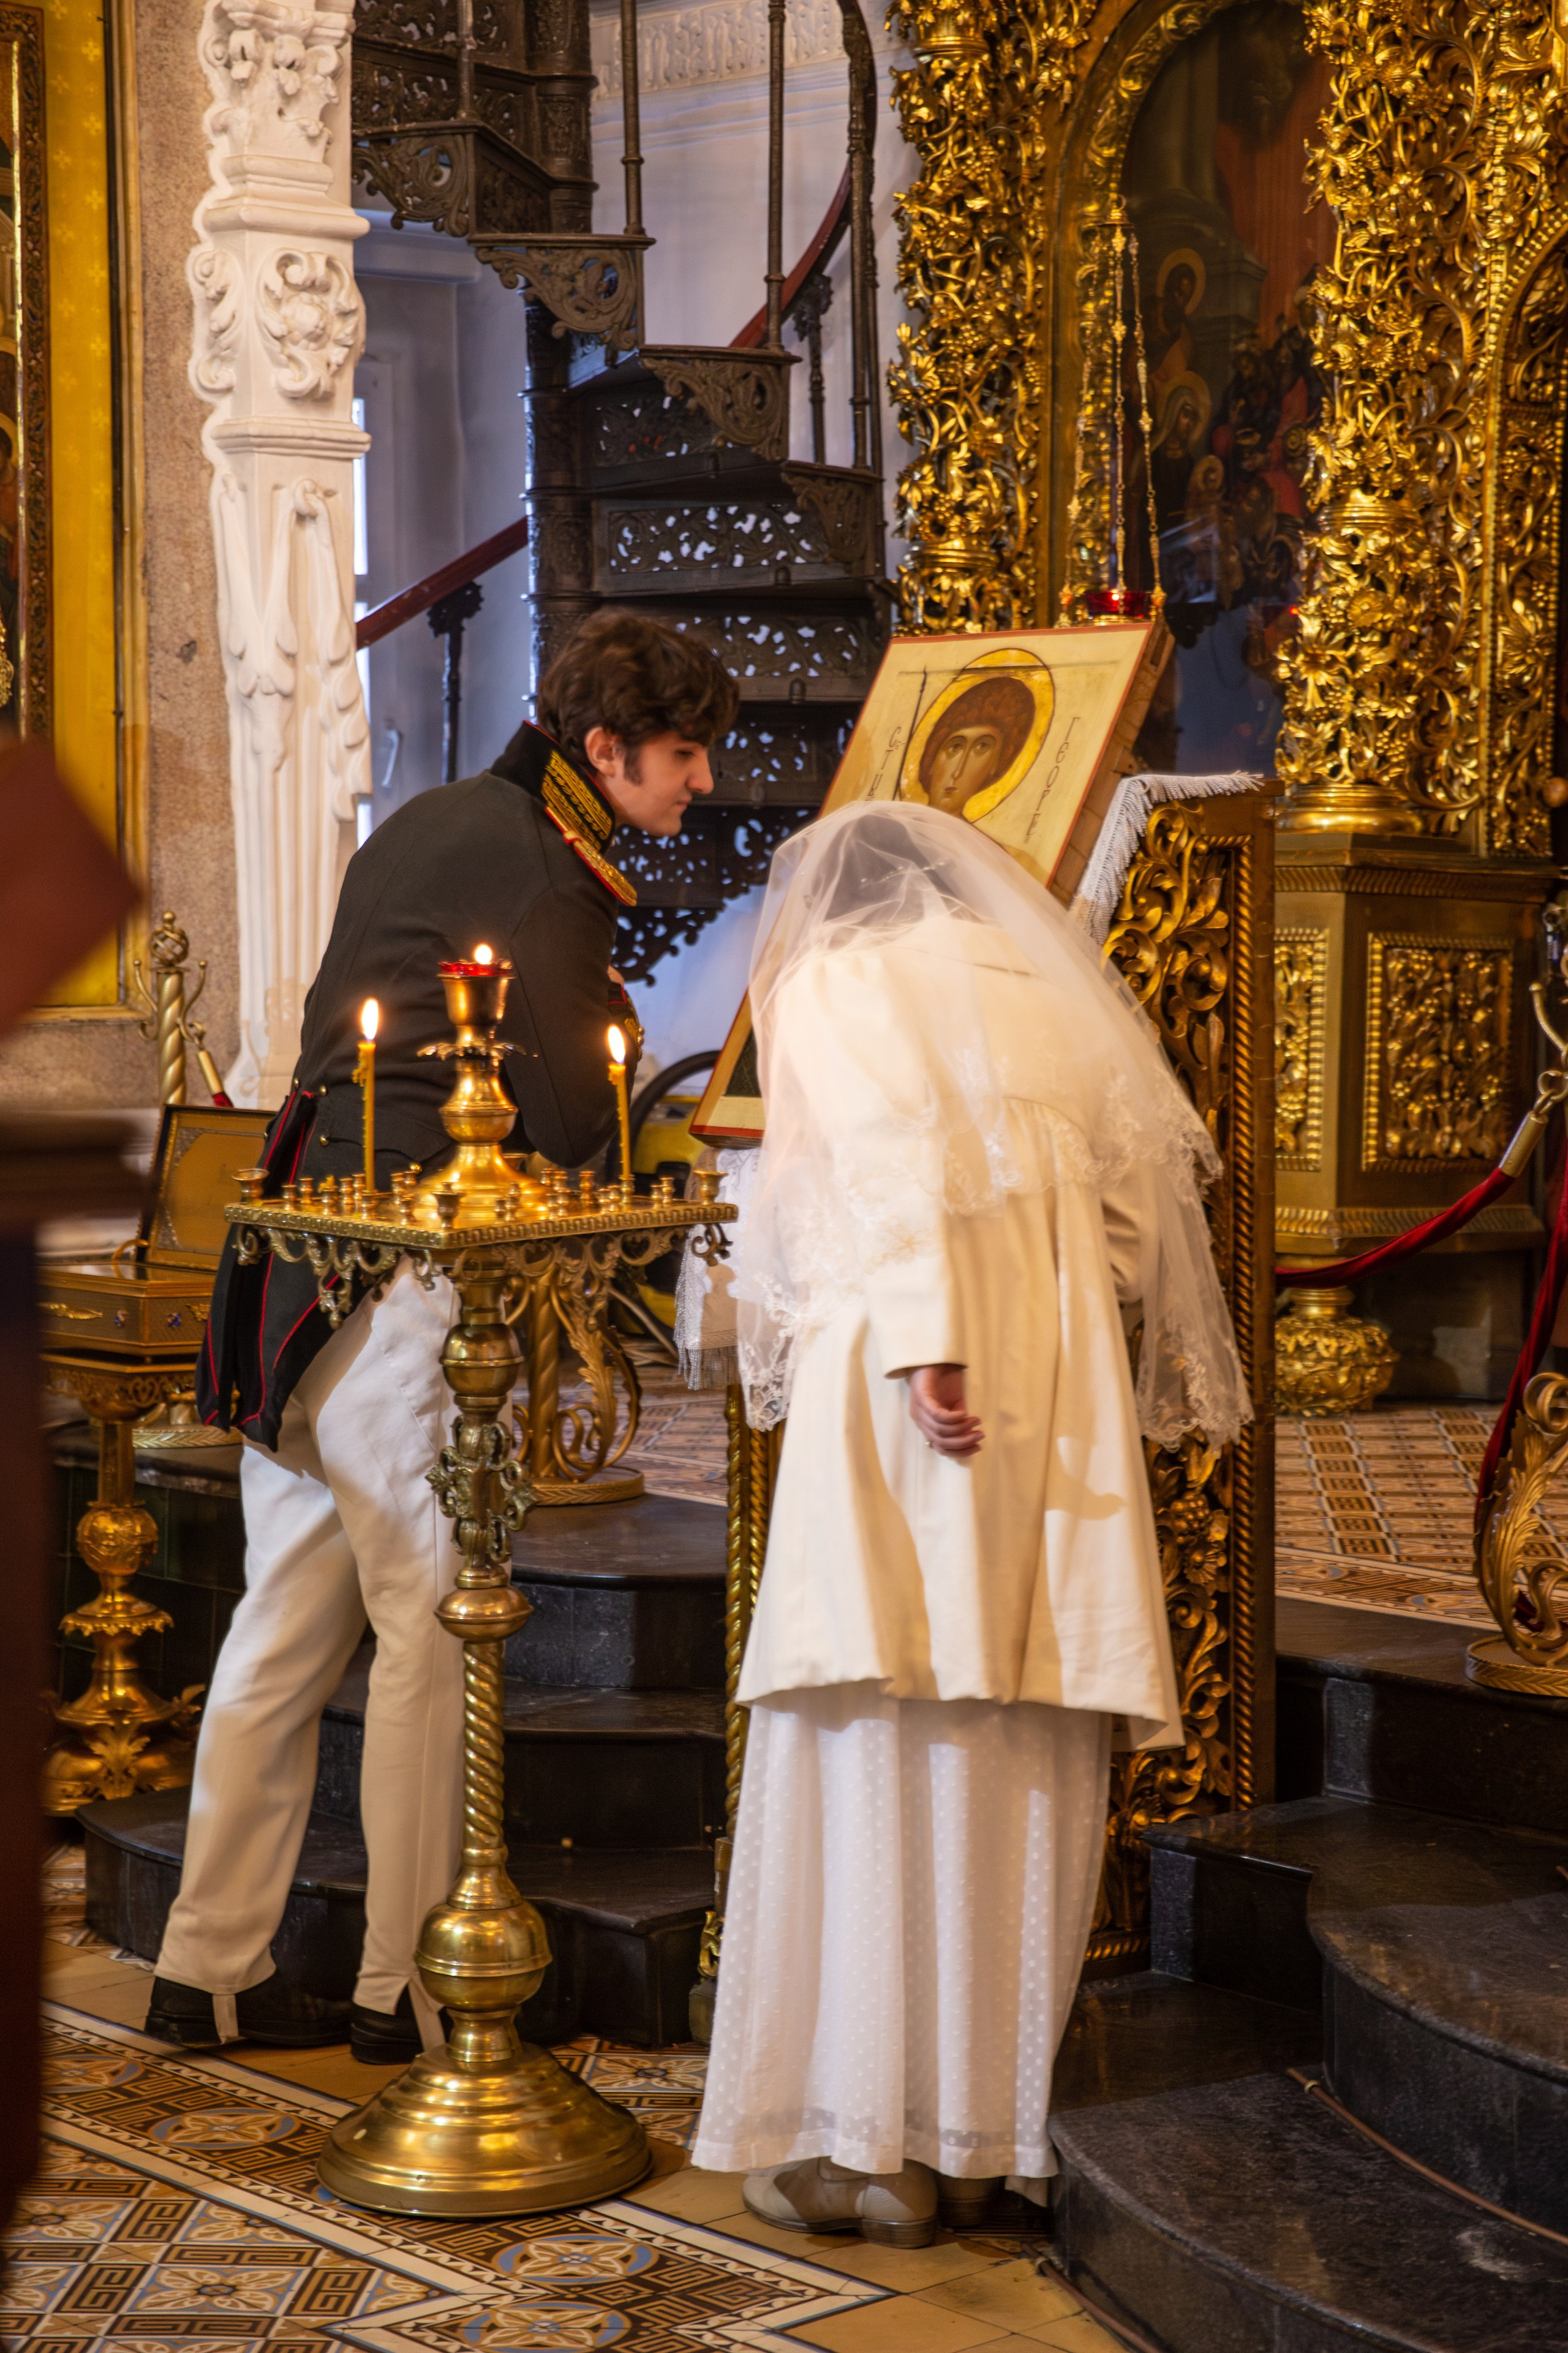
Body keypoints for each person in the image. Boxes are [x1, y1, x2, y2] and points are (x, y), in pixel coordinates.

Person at [147, 611, 737, 2064]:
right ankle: (408, 1992)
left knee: (286, 1620)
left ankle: (206, 1970)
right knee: (424, 1627)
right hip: (403, 1281)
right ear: (603, 753)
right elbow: (550, 1118)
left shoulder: (443, 817)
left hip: (299, 1263)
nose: (703, 783)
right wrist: (675, 1187)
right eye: (680, 755)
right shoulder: (535, 871)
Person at [690, 799, 1249, 2243]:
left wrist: (932, 1339)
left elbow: (874, 1177)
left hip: (905, 1399)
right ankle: (990, 2137)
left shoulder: (831, 983)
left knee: (869, 1733)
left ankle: (864, 2146)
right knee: (1020, 1745)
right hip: (1053, 1414)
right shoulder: (1052, 991)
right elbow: (1131, 1238)